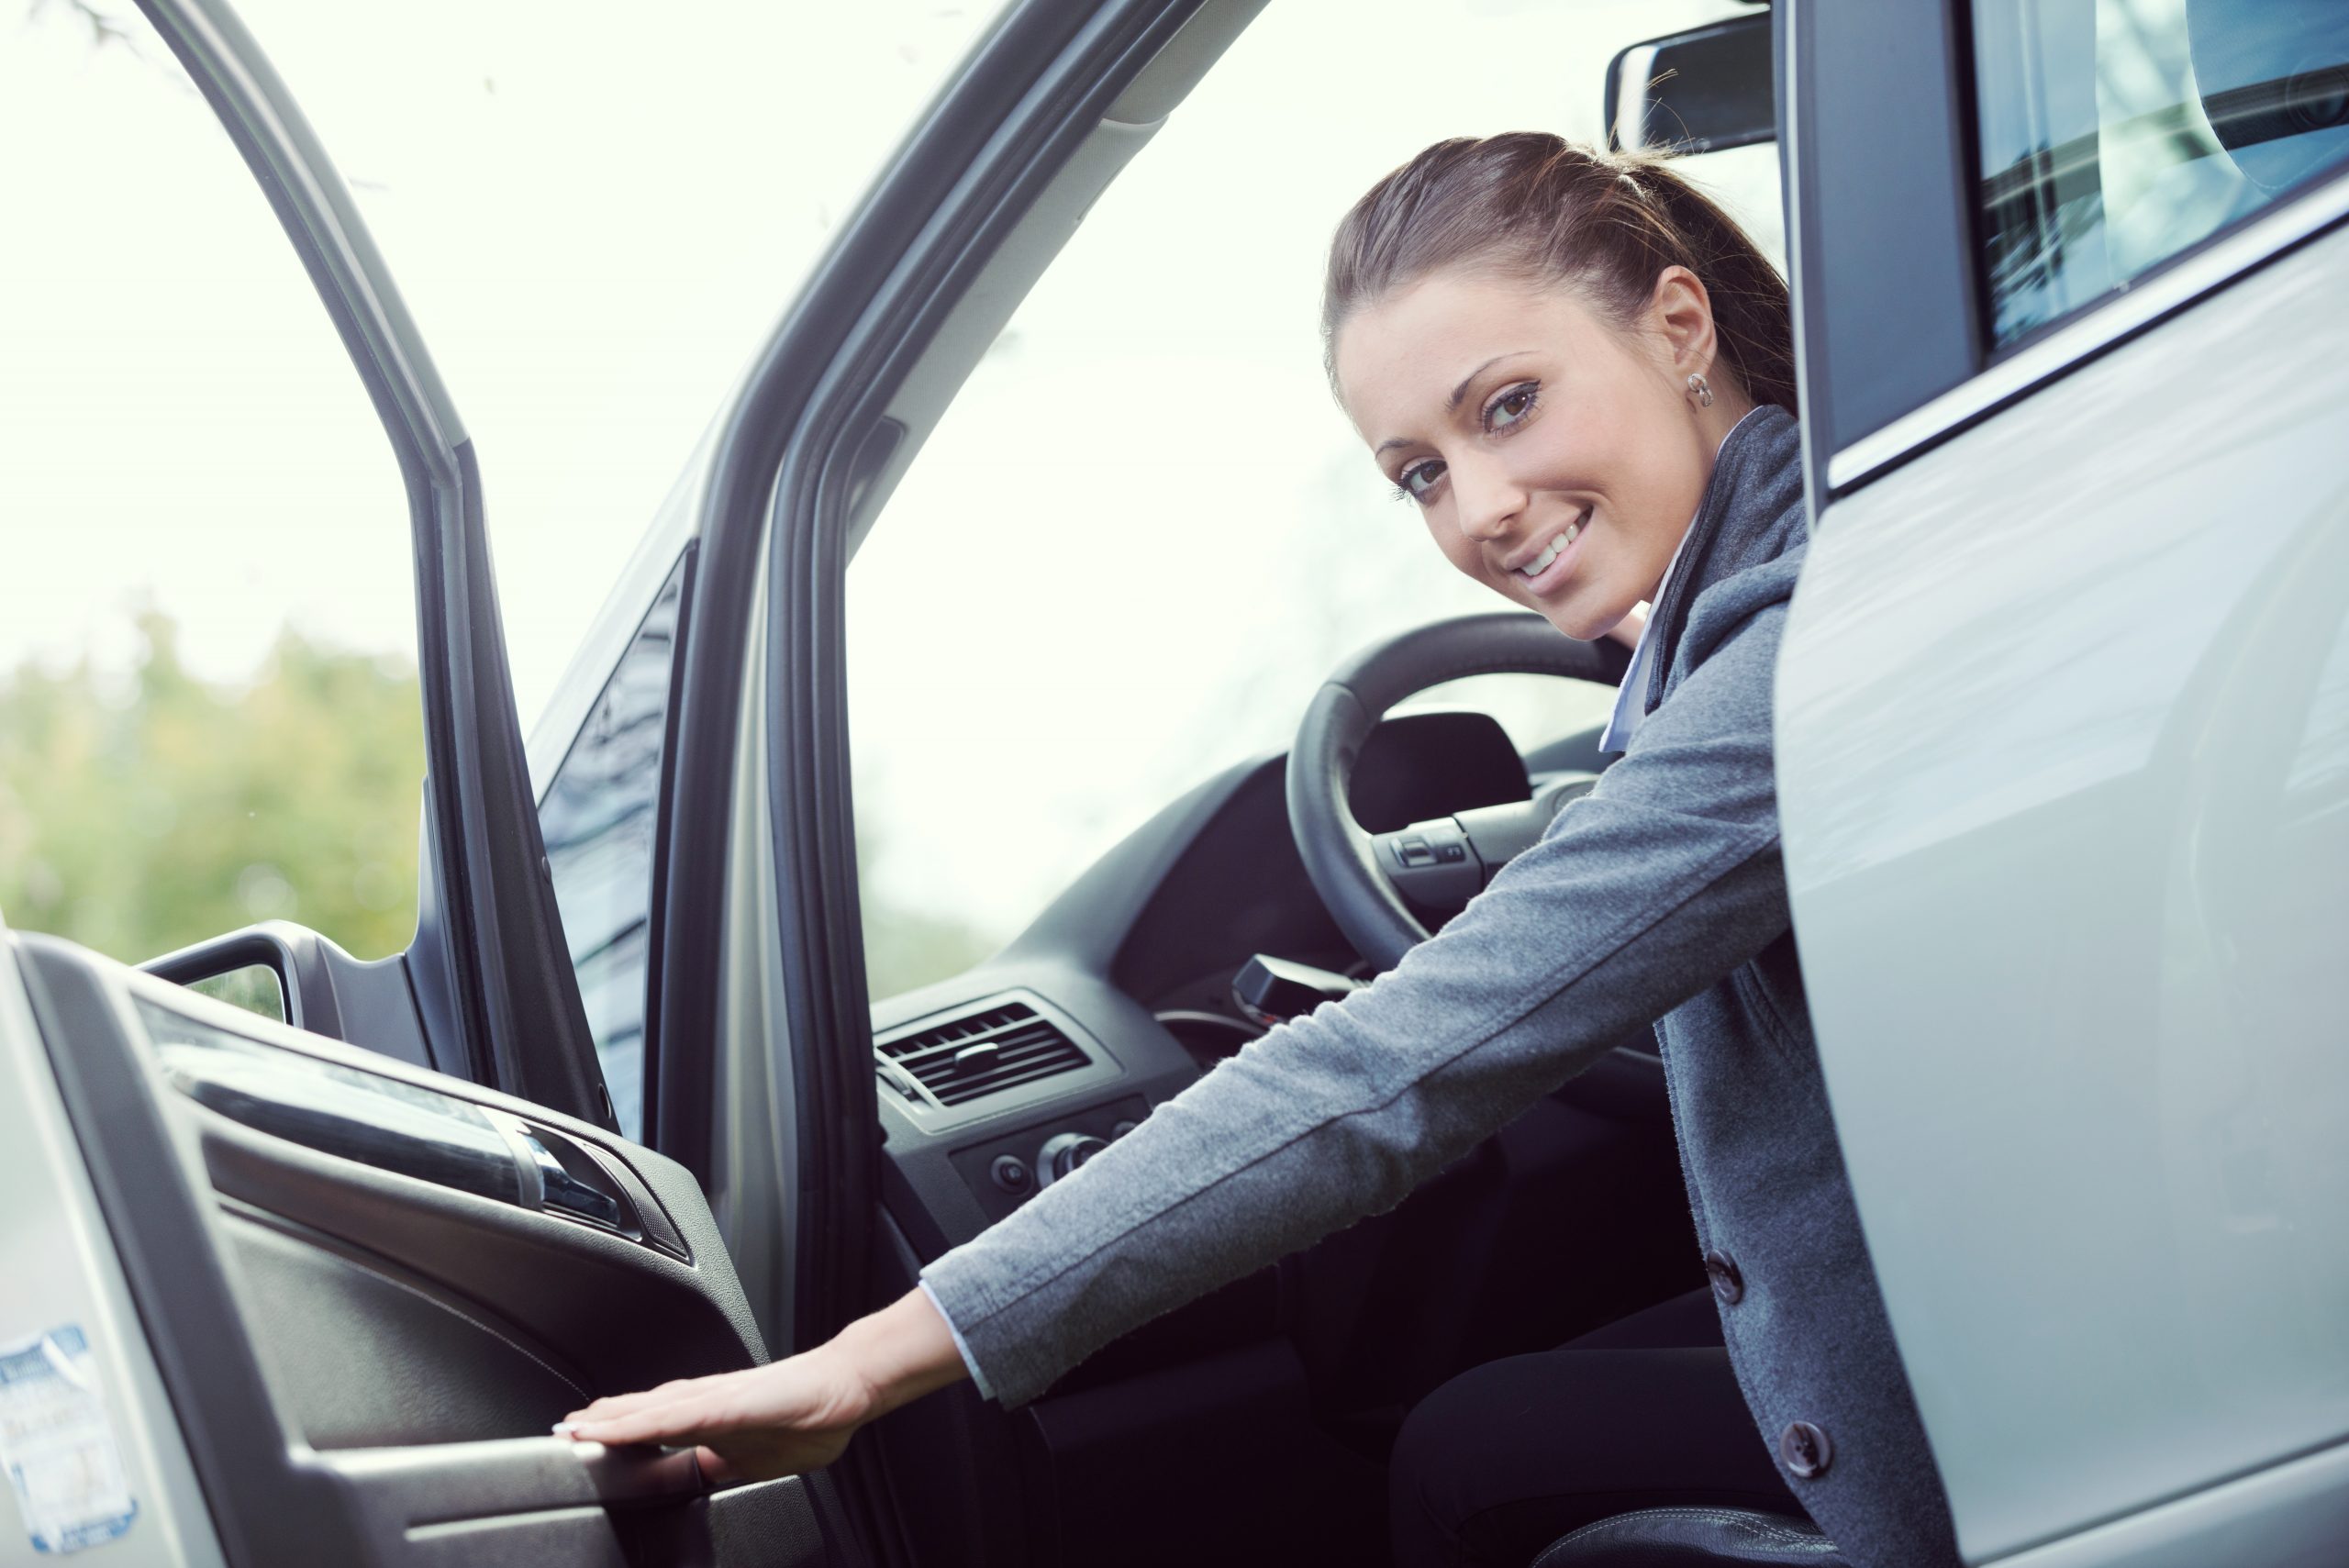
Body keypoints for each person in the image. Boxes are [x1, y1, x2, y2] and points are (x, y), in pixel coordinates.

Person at [558, 134, 1965, 1568]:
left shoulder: (1796, 650)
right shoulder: (1785, 580)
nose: (1478, 510)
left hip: (1966, 1418)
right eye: (1419, 471)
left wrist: (872, 1359)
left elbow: (1391, 1064)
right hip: (1953, 1270)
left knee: (1463, 1465)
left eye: (1512, 406)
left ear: (1678, 324)